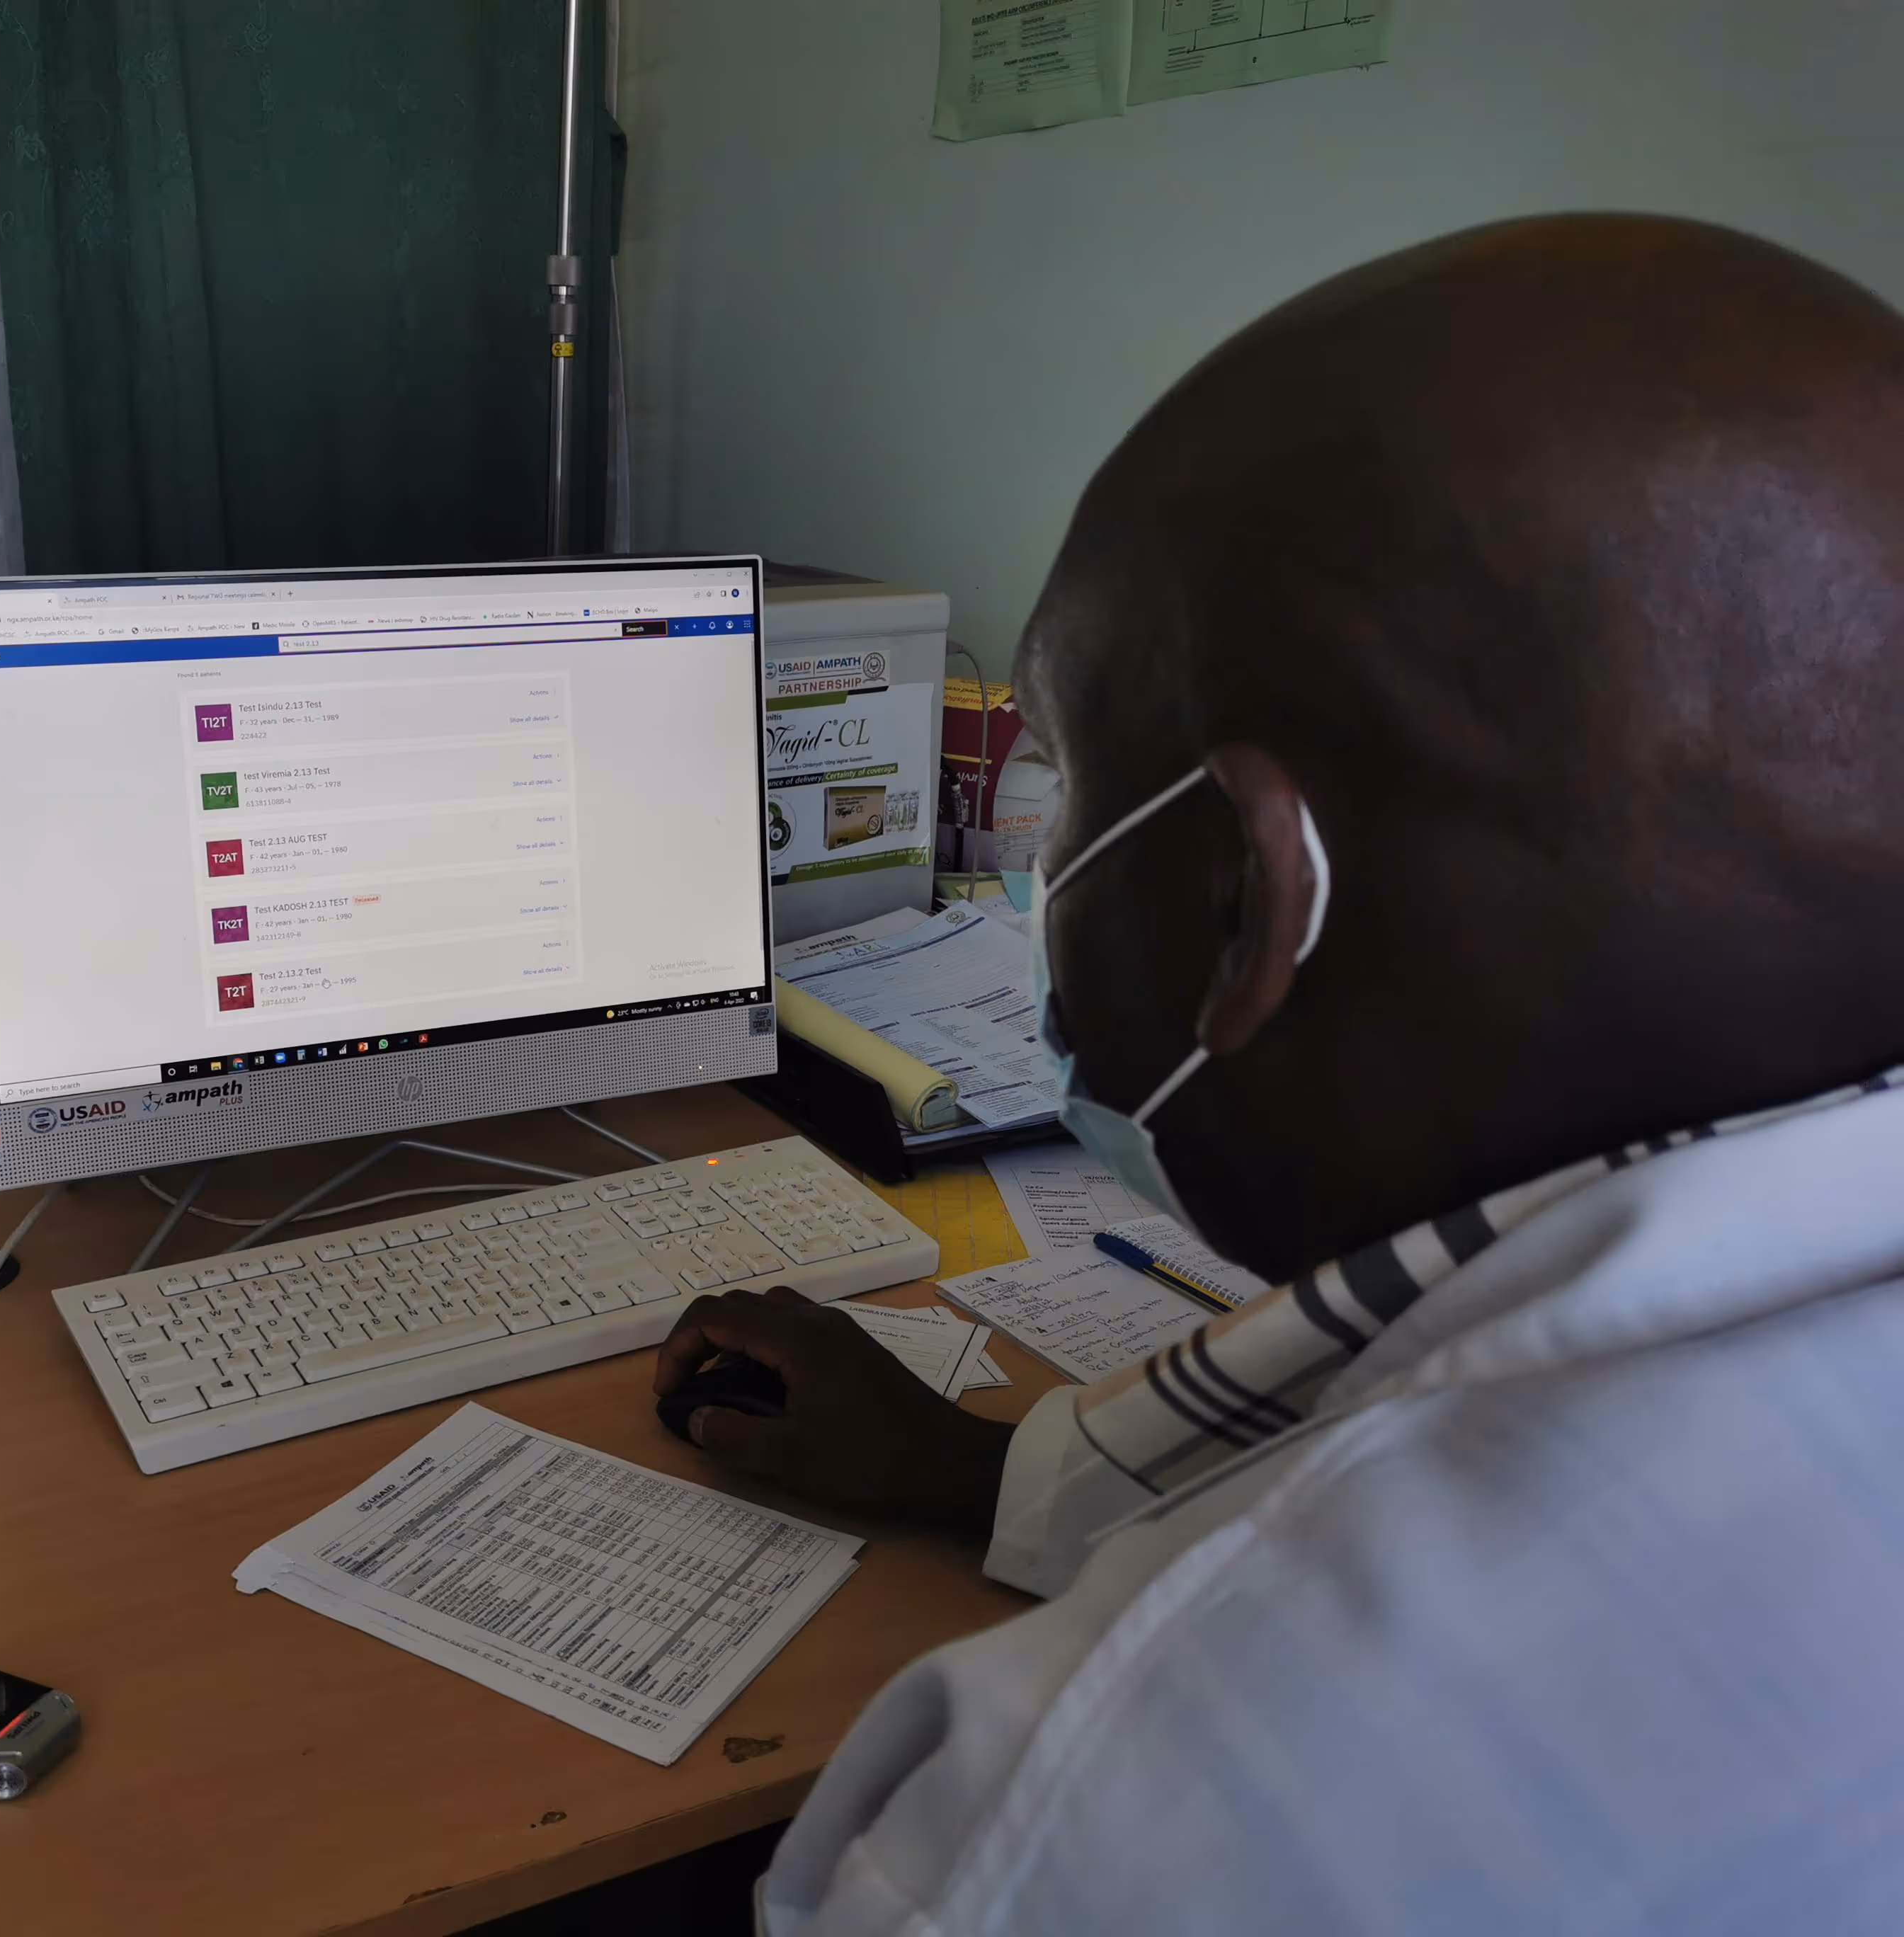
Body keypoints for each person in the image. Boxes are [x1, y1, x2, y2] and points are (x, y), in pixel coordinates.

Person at [654, 215, 1904, 1933]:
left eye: (1065, 784)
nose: (1044, 868)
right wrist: (976, 1472)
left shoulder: (1132, 1808)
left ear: (1244, 903)